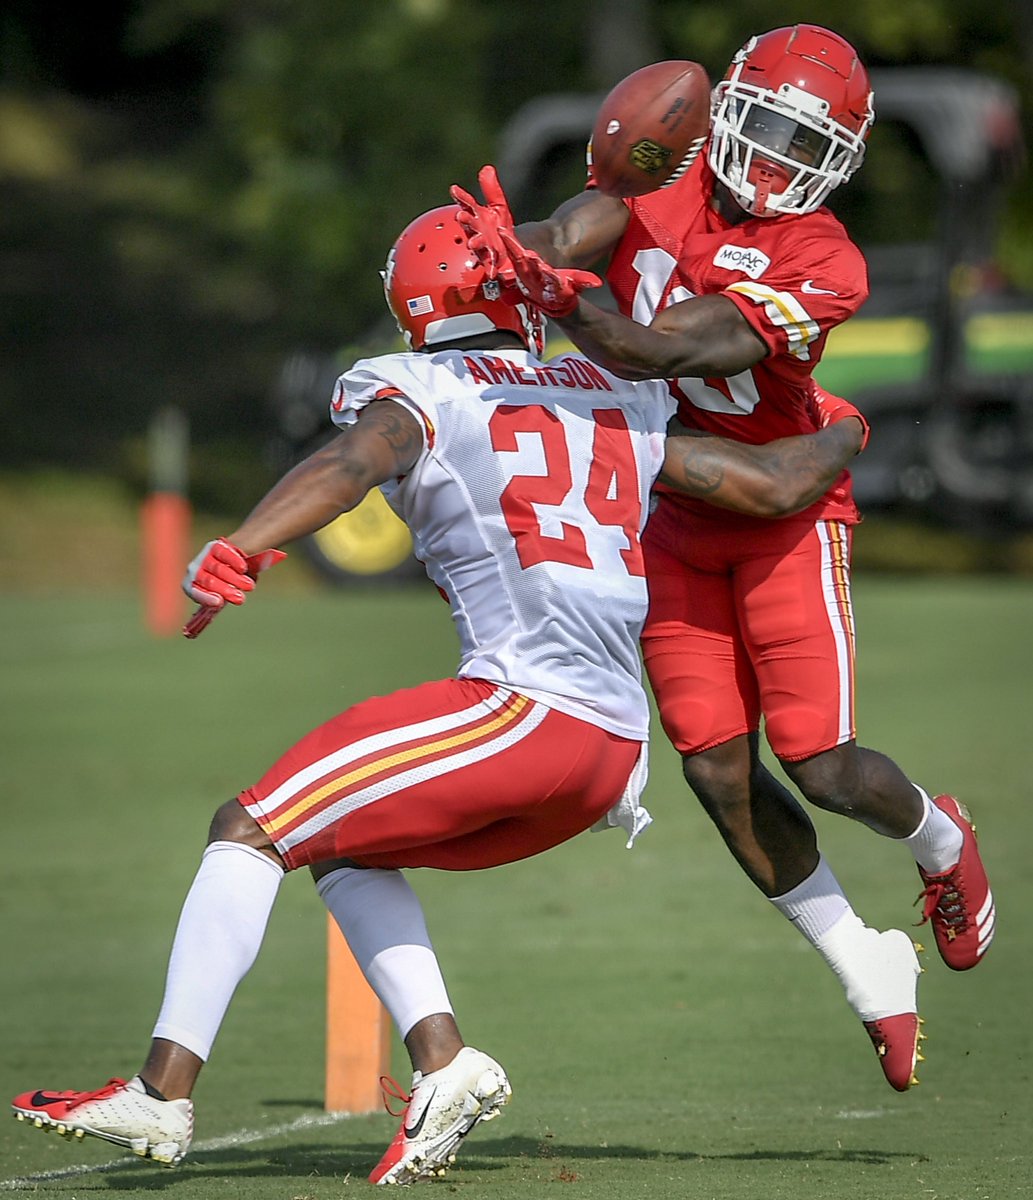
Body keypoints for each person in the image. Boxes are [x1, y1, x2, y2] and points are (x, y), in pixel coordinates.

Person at [10, 204, 866, 1185]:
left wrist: (244, 547)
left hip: (519, 710)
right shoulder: (609, 392)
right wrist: (843, 433)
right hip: (610, 757)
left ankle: (161, 1095)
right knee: (343, 850)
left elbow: (348, 463)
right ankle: (445, 1064)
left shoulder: (416, 384)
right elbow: (767, 485)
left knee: (248, 828)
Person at [450, 23, 995, 1094]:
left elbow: (673, 347)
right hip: (674, 509)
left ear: (839, 159)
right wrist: (525, 249)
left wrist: (566, 300)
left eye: (809, 144)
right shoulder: (676, 168)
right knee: (711, 764)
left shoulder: (825, 257)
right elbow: (587, 215)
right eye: (772, 130)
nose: (781, 161)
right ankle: (862, 961)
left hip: (784, 508)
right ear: (730, 107)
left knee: (821, 761)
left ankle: (940, 839)